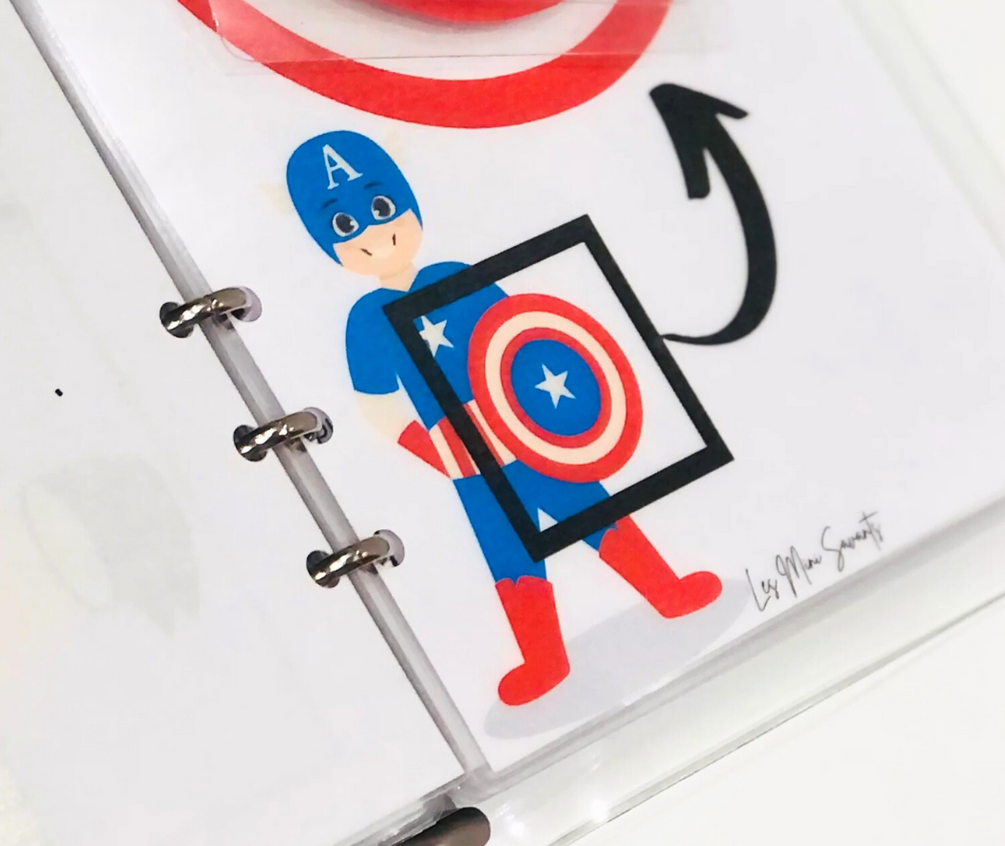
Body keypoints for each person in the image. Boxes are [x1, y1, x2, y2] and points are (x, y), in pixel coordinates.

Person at [288, 130, 721, 706]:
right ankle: (544, 658)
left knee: (598, 512)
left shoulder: (456, 272)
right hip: (469, 462)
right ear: (329, 245)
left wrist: (559, 416)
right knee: (509, 554)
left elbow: (525, 336)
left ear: (408, 205)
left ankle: (666, 591)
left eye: (382, 207)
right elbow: (378, 405)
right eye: (344, 226)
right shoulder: (366, 320)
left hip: (534, 436)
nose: (373, 233)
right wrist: (436, 452)